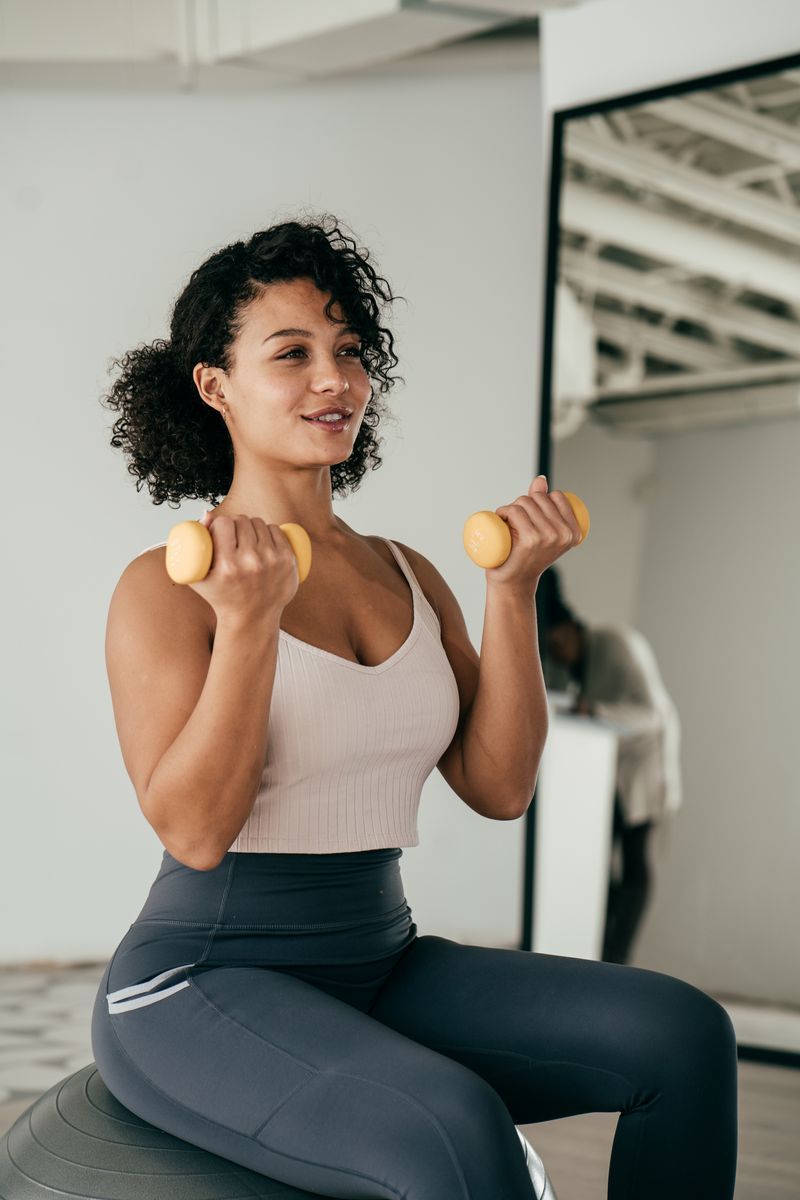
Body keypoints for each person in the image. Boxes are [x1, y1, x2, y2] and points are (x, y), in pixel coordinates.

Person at [90, 213, 737, 1199]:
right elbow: (197, 830)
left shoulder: (406, 572)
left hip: (379, 960)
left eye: (349, 351)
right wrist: (250, 625)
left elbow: (500, 787)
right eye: (292, 353)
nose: (334, 379)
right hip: (199, 984)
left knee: (682, 1035)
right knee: (455, 1128)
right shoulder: (168, 587)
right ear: (215, 386)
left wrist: (512, 592)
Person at [536, 566, 683, 964]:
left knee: (635, 863)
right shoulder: (561, 665)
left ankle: (618, 959)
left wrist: (596, 710)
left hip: (644, 769)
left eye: (556, 644)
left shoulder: (618, 644)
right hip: (605, 776)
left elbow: (653, 716)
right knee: (597, 863)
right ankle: (599, 951)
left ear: (571, 629)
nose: (555, 654)